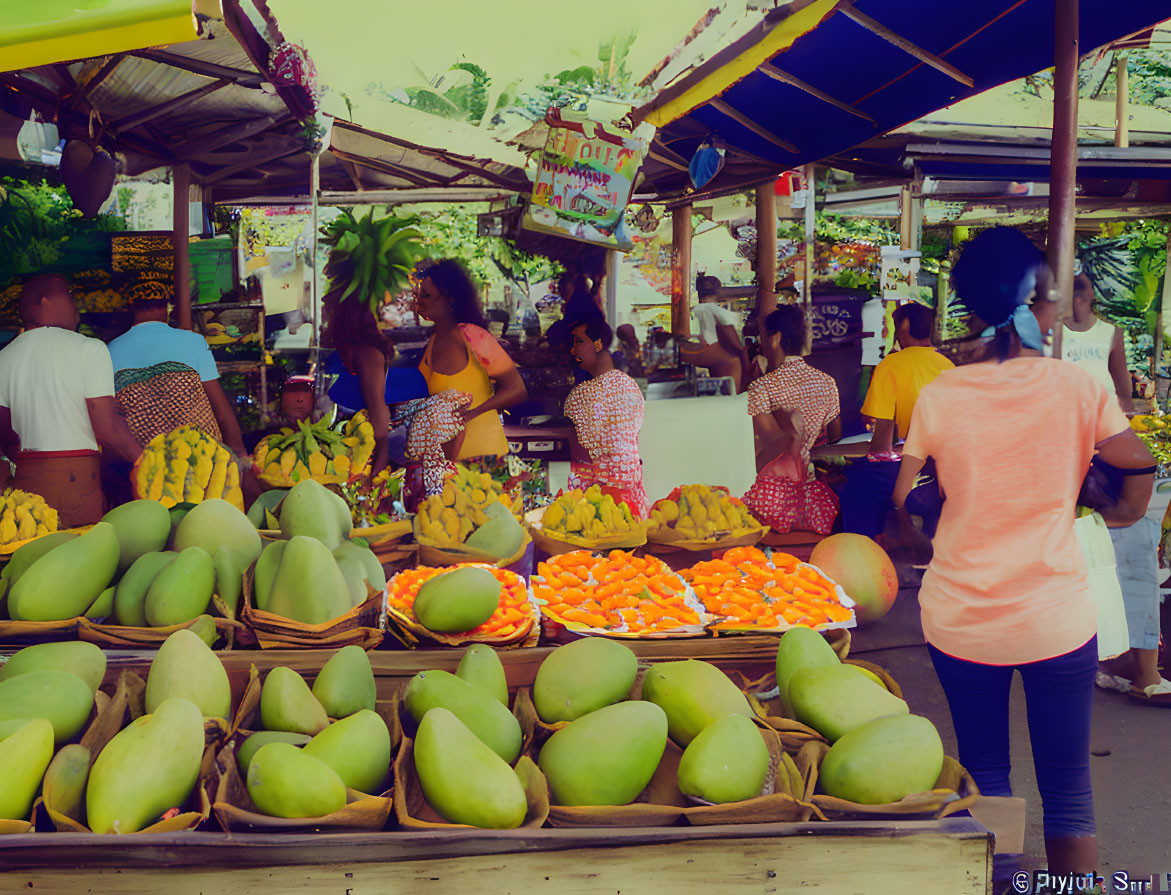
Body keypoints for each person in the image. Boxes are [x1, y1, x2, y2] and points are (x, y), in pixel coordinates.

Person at [893, 227, 1155, 876]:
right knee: (1068, 789)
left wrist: (946, 521)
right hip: (1054, 617)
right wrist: (1110, 506)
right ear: (1039, 301)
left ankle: (1002, 883)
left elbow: (904, 504)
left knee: (984, 772)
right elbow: (1137, 470)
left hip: (960, 620)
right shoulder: (1077, 388)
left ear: (974, 307)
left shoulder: (941, 393)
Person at [0, 274, 141, 526]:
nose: (75, 303)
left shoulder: (4, 357)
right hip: (75, 483)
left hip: (23, 488)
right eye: (68, 295)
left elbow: (5, 432)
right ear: (44, 302)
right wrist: (143, 459)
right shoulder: (89, 349)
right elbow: (105, 427)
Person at [839, 302, 954, 538]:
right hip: (950, 473)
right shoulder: (948, 364)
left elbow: (881, 445)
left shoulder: (892, 364)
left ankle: (867, 547)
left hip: (919, 478)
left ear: (905, 326)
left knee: (854, 488)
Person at [107, 282, 248, 458]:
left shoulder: (111, 349)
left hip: (146, 462)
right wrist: (238, 447)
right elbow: (217, 402)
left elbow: (110, 416)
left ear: (130, 308)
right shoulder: (192, 341)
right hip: (198, 453)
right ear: (168, 306)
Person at [414, 260, 527, 463]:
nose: (419, 301)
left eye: (426, 295)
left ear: (449, 300)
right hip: (447, 466)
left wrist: (470, 415)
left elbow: (517, 389)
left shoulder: (472, 336)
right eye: (418, 294)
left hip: (482, 463)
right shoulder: (433, 340)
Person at [742, 305, 841, 534]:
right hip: (810, 498)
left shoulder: (762, 387)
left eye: (763, 338)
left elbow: (769, 446)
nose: (761, 344)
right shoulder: (827, 382)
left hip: (768, 499)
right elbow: (834, 435)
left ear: (775, 338)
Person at [562, 317, 648, 517]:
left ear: (598, 344)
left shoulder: (582, 395)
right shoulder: (629, 385)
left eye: (579, 342)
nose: (573, 351)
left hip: (599, 504)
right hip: (633, 500)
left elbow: (582, 453)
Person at [1061, 272, 1133, 412]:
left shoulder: (1111, 330)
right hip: (1066, 415)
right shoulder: (1053, 330)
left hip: (1102, 415)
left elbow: (1122, 381)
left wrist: (1126, 409)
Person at [678, 275, 747, 392]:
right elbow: (735, 344)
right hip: (728, 368)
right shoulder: (716, 312)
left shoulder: (701, 311)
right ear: (717, 292)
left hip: (724, 366)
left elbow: (708, 344)